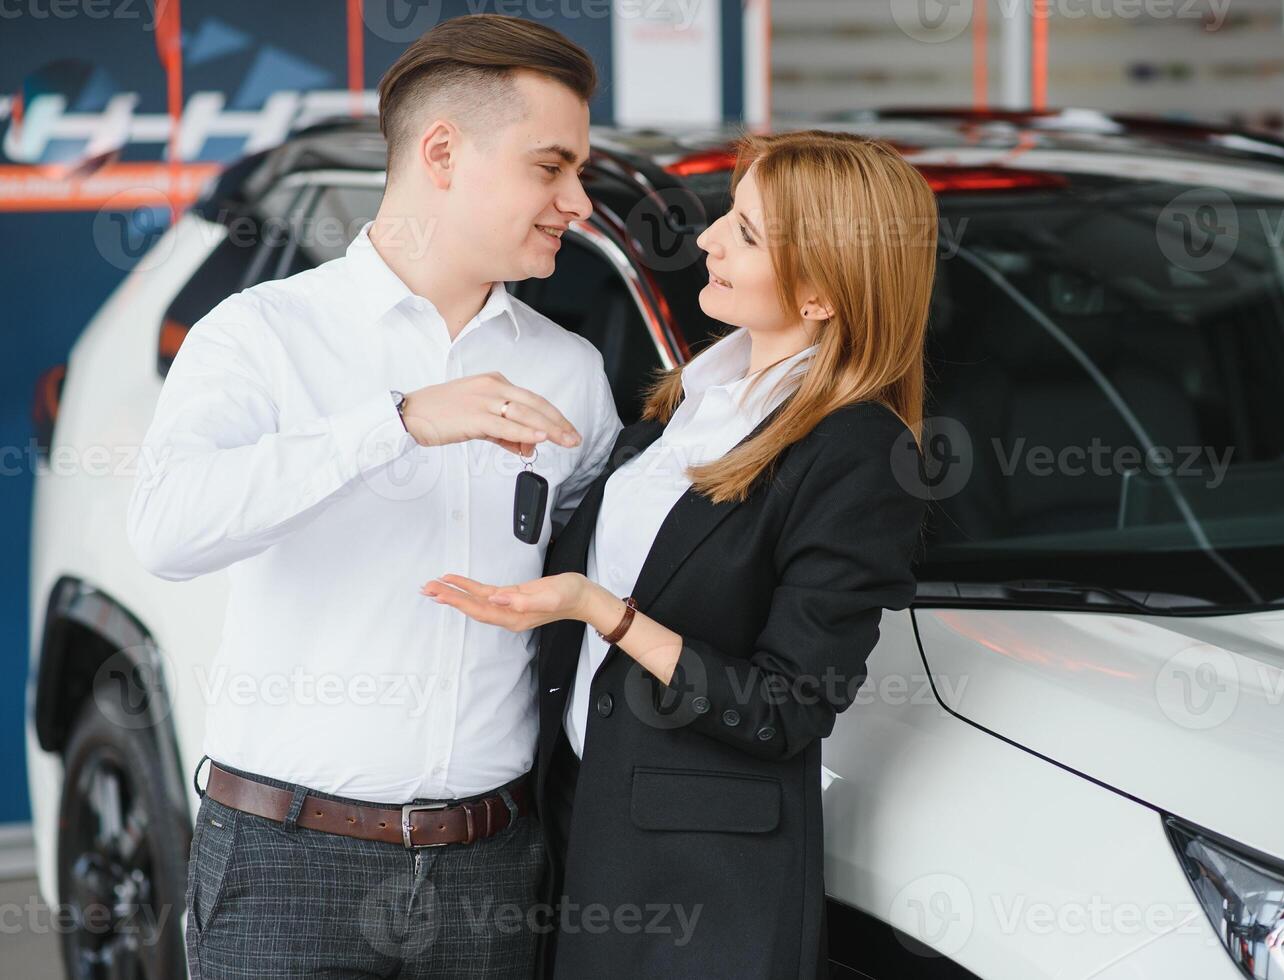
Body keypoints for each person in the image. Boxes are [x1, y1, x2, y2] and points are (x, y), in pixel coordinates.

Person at [126, 14, 621, 978]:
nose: (578, 203)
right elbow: (168, 529)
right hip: (285, 868)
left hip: (492, 869)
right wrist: (394, 421)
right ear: (443, 151)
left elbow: (579, 573)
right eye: (551, 167)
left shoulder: (571, 374)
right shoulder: (261, 333)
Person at [423, 129, 936, 979]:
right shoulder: (690, 404)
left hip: (701, 890)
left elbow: (784, 708)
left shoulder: (858, 452)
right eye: (727, 218)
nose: (707, 241)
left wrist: (603, 611)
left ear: (820, 293)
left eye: (745, 232)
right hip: (583, 824)